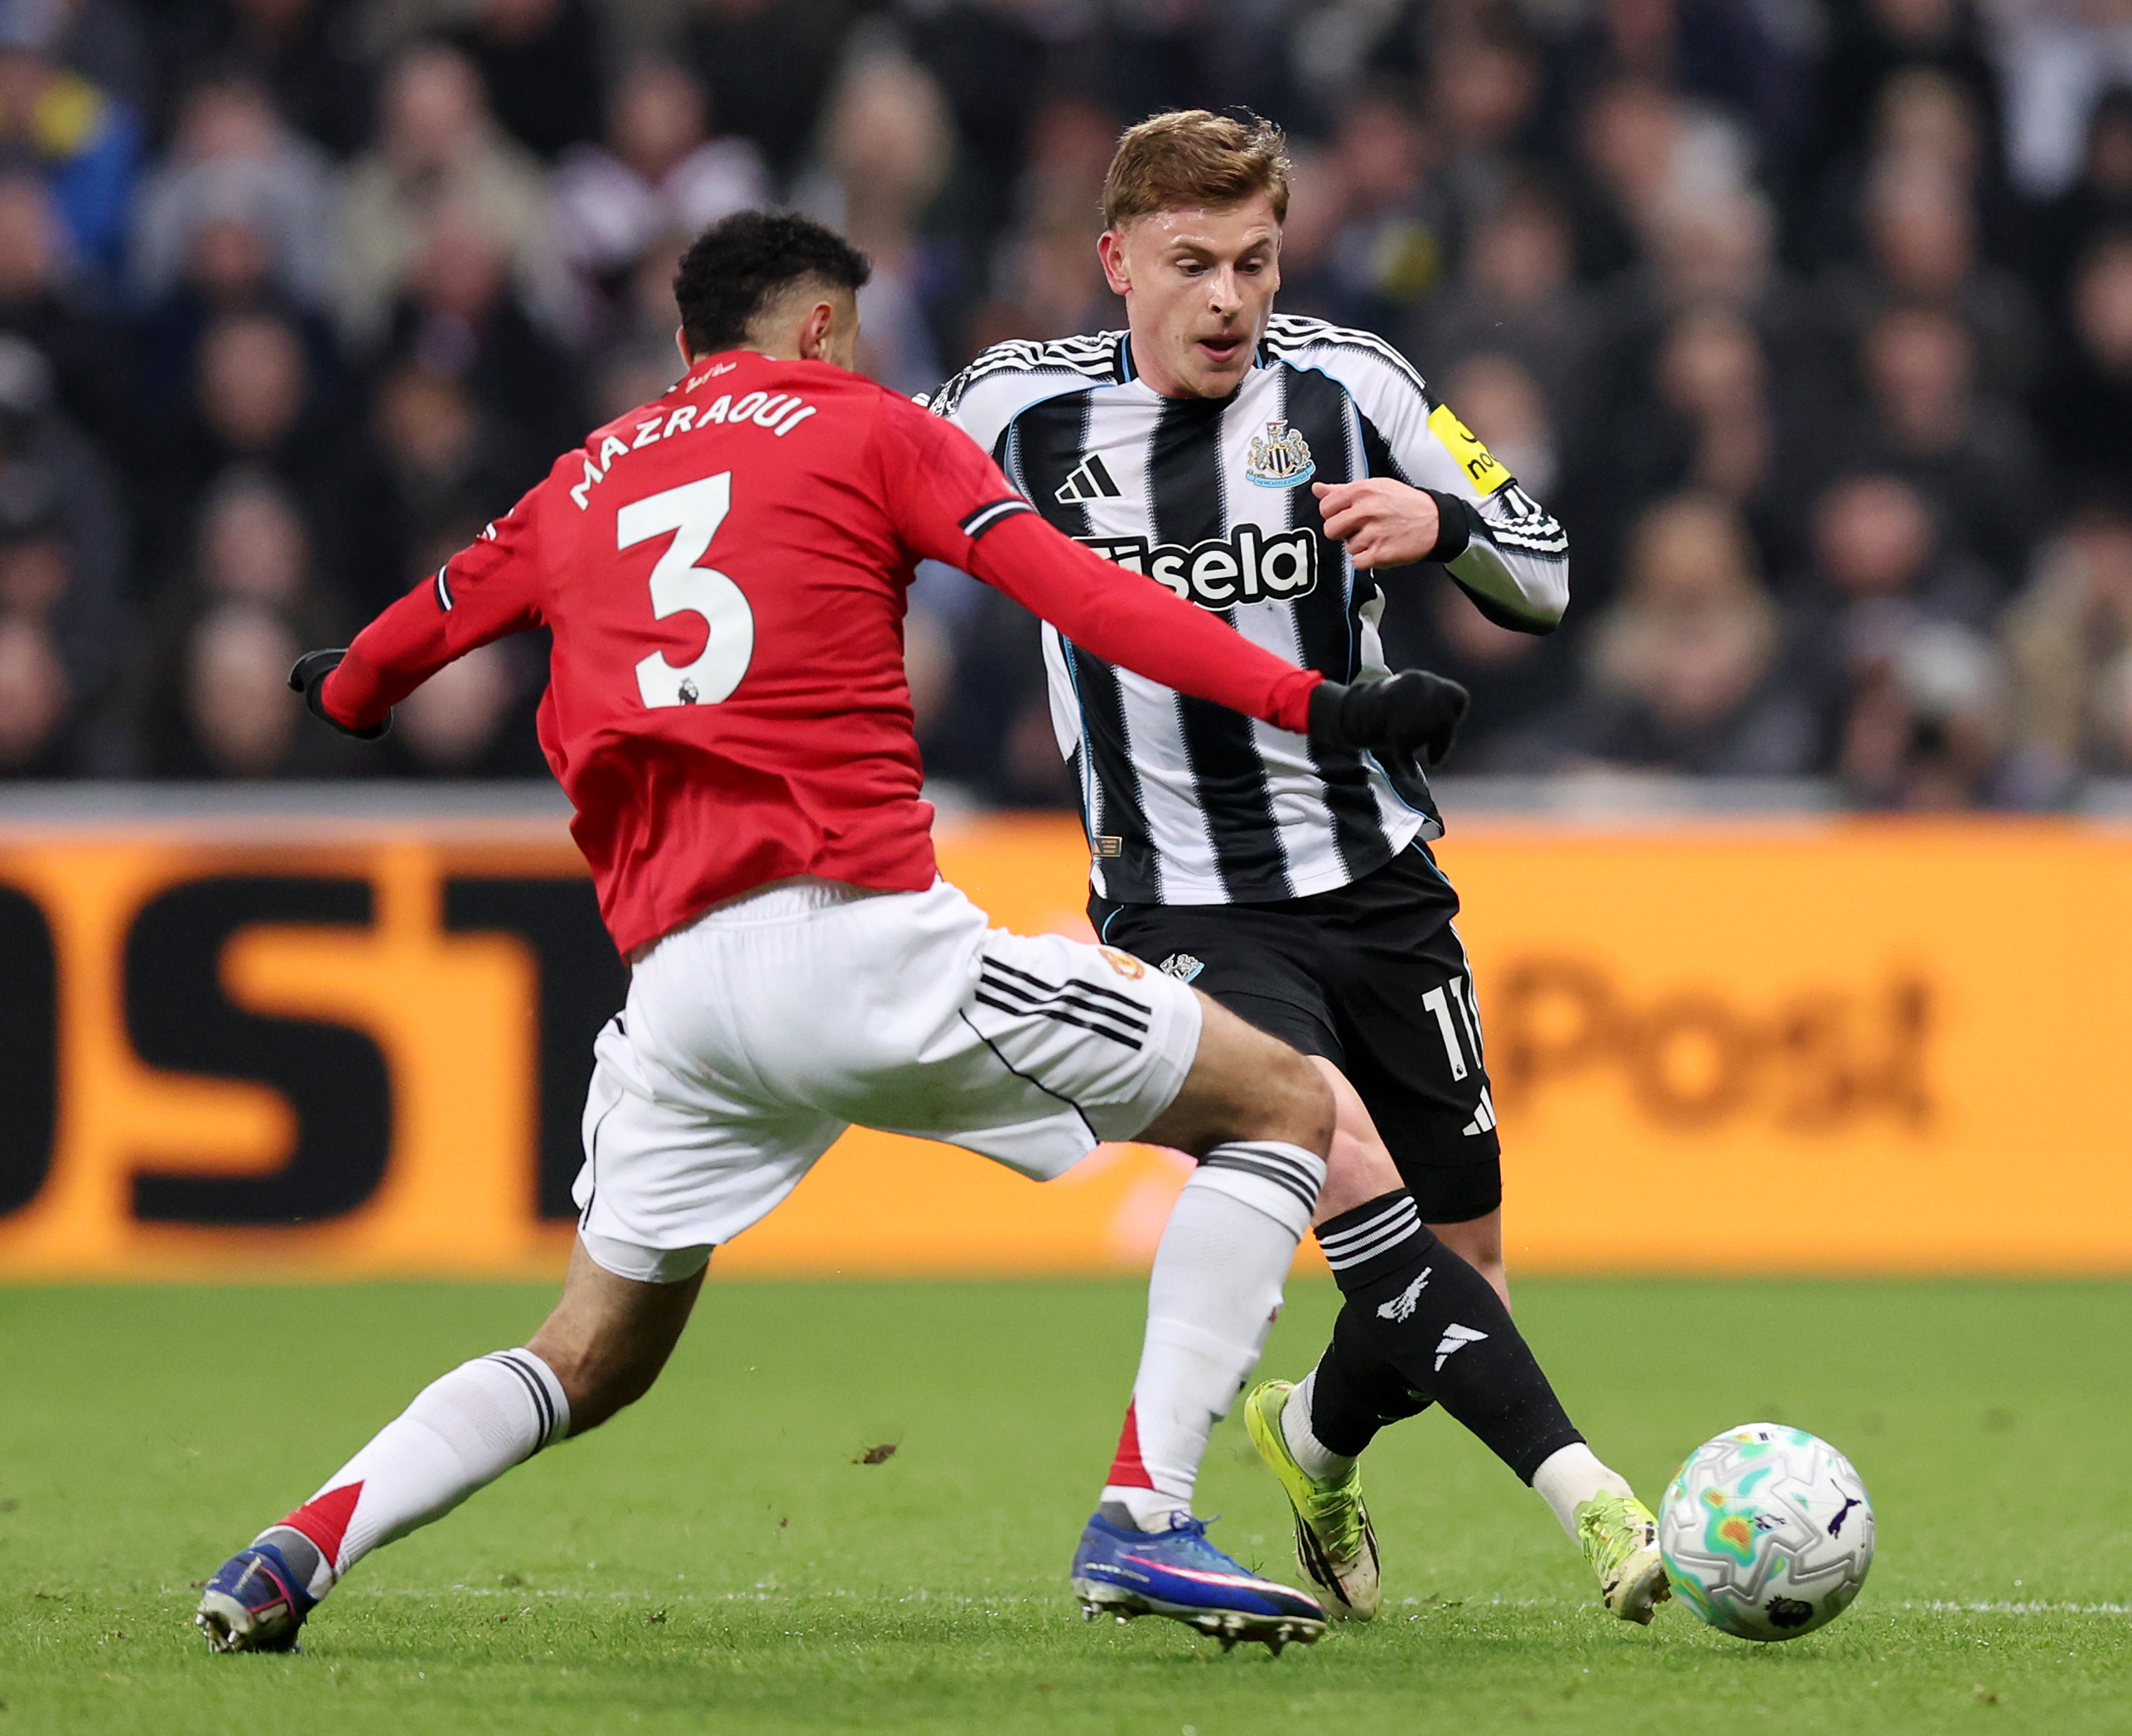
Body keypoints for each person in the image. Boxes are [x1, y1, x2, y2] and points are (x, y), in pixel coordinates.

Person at [191, 210, 1470, 1656]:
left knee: (589, 1353)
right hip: (863, 941)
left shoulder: (580, 482)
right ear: (817, 332)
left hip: (678, 993)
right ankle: (1147, 1513)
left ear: (685, 345)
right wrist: (1320, 706)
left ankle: (297, 1545)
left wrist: (339, 685)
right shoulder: (867, 426)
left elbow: (396, 651)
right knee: (1285, 1106)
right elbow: (1088, 599)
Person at [929, 111, 1668, 1629]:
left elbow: (1544, 562)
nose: (1225, 298)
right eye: (1190, 263)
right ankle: (1599, 1505)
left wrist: (1444, 522)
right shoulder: (1012, 407)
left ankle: (1312, 1440)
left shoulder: (1360, 385)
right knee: (1351, 1175)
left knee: (1462, 1267)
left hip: (1376, 877)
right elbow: (862, 521)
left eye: (1253, 262)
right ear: (1114, 261)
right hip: (1179, 897)